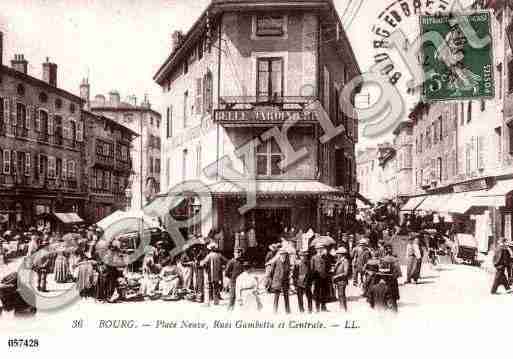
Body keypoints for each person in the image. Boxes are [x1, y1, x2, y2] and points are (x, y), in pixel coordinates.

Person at [268, 248, 291, 314]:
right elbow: (271, 272)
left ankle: (288, 311)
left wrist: (288, 278)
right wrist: (272, 280)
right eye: (282, 254)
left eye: (284, 254)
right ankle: (275, 311)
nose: (283, 256)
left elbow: (288, 271)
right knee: (276, 297)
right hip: (277, 281)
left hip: (285, 281)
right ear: (280, 255)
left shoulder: (287, 262)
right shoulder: (276, 261)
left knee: (286, 297)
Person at [310, 243, 330, 312]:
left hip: (324, 277)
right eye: (318, 249)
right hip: (317, 278)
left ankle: (323, 307)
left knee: (324, 292)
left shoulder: (325, 257)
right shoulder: (313, 258)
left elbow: (328, 267)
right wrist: (312, 279)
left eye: (321, 248)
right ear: (316, 250)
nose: (320, 250)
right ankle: (317, 307)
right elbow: (312, 269)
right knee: (317, 292)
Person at [333, 247, 350, 312]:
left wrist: (336, 276)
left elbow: (346, 273)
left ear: (342, 254)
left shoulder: (345, 261)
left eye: (338, 253)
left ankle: (343, 308)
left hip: (342, 280)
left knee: (342, 294)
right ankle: (341, 307)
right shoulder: (339, 261)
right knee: (340, 295)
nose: (337, 255)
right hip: (338, 280)